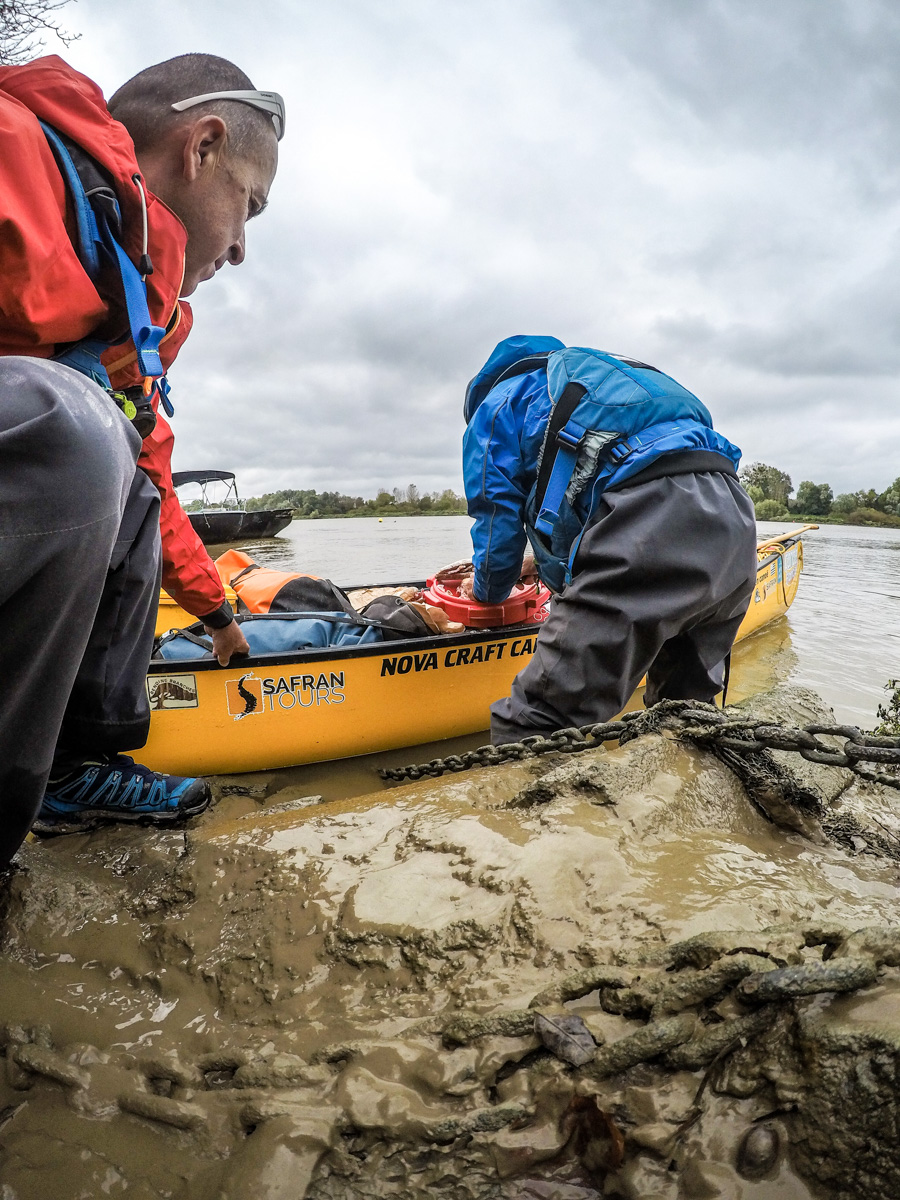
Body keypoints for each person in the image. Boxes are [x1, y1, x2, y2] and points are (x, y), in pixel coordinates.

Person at [0, 53, 282, 866]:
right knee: (74, 425)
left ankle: (70, 766)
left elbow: (152, 481)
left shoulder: (135, 309)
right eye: (248, 205)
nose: (240, 248)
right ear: (202, 147)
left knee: (129, 478)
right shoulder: (14, 148)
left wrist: (218, 615)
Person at [460, 335, 758, 743]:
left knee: (538, 720)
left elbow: (496, 519)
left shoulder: (498, 404)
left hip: (648, 522)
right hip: (734, 521)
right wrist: (539, 564)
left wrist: (487, 594)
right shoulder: (603, 379)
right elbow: (593, 483)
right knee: (687, 712)